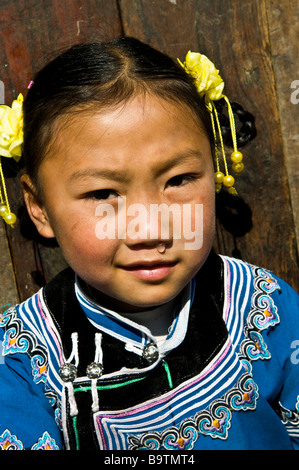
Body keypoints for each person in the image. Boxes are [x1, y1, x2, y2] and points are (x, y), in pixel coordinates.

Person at [0, 37, 298, 451]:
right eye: (103, 194)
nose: (150, 230)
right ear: (40, 208)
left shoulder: (266, 308)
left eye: (178, 180)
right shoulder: (21, 363)